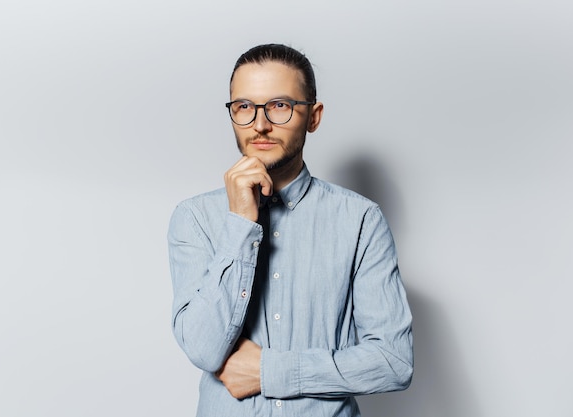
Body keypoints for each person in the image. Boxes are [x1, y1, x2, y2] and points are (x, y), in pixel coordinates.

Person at [168, 43, 413, 417]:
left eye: (279, 105)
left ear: (313, 117)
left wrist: (269, 372)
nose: (260, 124)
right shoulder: (195, 217)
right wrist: (240, 225)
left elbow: (394, 361)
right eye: (244, 107)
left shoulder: (360, 219)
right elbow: (203, 348)